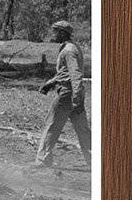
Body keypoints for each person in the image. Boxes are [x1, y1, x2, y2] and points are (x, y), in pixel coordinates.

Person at [36, 20, 91, 170]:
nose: (53, 35)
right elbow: (65, 73)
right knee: (82, 129)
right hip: (74, 93)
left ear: (62, 33)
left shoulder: (68, 50)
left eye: (55, 32)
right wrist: (51, 83)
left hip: (68, 94)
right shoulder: (70, 48)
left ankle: (43, 160)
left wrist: (76, 96)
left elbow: (75, 74)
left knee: (52, 126)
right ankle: (96, 160)